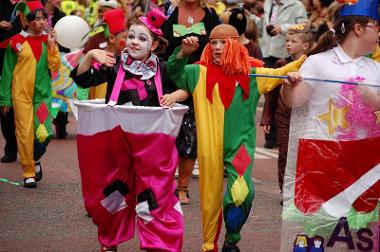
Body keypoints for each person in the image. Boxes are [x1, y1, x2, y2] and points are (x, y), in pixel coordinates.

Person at [166, 24, 305, 252]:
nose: (217, 47)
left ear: (235, 44)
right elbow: (176, 71)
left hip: (239, 145)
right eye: (213, 43)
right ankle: (209, 244)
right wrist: (182, 53)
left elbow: (282, 72)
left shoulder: (253, 73)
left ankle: (231, 239)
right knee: (210, 199)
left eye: (223, 42)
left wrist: (299, 66)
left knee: (242, 193)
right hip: (210, 147)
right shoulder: (198, 72)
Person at [71, 8, 188, 252]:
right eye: (131, 36)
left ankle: (157, 244)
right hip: (117, 144)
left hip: (152, 148)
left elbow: (186, 88)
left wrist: (175, 94)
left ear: (154, 45)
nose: (134, 42)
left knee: (155, 193)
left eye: (142, 38)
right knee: (114, 191)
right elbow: (82, 80)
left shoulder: (164, 69)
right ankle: (110, 241)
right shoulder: (114, 65)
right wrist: (91, 54)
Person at [161, 0, 220, 205]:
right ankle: (163, 184)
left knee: (190, 137)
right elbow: (156, 42)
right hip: (167, 80)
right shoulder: (167, 11)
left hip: (199, 83)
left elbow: (221, 45)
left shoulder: (211, 15)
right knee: (165, 137)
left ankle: (182, 186)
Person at [0, 0, 61, 188]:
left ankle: (35, 159)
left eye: (44, 18)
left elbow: (55, 67)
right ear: (26, 22)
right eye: (37, 19)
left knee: (43, 134)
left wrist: (52, 47)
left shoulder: (48, 41)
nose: (42, 22)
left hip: (42, 95)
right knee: (24, 133)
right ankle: (28, 172)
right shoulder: (15, 43)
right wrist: (5, 98)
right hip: (21, 96)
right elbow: (7, 72)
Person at [260, 23, 313, 201]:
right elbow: (271, 93)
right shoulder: (281, 64)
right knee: (284, 152)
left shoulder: (312, 65)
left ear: (305, 45)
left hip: (305, 114)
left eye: (293, 41)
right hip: (282, 115)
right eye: (287, 40)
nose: (288, 44)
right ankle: (286, 191)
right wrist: (267, 117)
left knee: (304, 154)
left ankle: (302, 188)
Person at [0, 0, 21, 163]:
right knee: (6, 104)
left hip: (26, 56)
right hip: (2, 58)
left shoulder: (28, 2)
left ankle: (29, 148)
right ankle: (11, 148)